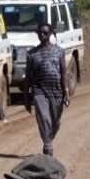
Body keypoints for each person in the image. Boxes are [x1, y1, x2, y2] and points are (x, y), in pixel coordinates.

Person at [24, 22, 71, 156]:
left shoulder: (59, 51)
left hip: (57, 92)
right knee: (44, 118)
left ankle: (48, 139)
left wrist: (66, 92)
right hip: (40, 91)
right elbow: (28, 76)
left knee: (55, 122)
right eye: (40, 33)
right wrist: (26, 97)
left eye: (45, 33)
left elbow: (63, 72)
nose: (42, 35)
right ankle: (48, 146)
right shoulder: (32, 54)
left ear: (50, 34)